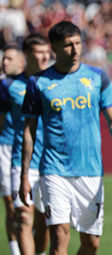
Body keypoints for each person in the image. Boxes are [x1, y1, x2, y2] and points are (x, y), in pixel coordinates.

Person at [19, 21, 112, 255]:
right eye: (68, 45)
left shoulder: (97, 77)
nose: (75, 50)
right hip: (53, 170)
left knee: (91, 244)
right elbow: (29, 131)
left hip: (90, 170)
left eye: (78, 43)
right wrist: (24, 175)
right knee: (60, 238)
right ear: (54, 47)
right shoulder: (38, 82)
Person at [0, 34, 51, 255]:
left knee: (43, 220)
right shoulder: (8, 85)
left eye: (47, 53)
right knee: (21, 214)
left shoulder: (53, 82)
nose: (45, 57)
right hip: (19, 158)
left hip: (49, 161)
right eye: (40, 52)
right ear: (28, 55)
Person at [0, 44, 25, 255]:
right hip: (5, 147)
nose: (4, 62)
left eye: (9, 59)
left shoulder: (32, 83)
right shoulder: (2, 85)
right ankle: (15, 251)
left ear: (21, 62)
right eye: (3, 59)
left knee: (27, 207)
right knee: (10, 203)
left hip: (26, 149)